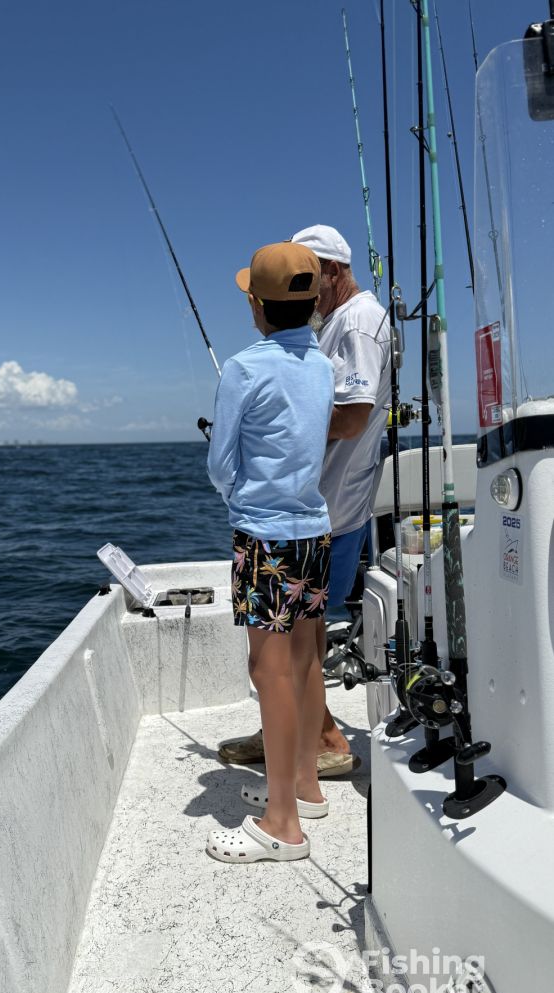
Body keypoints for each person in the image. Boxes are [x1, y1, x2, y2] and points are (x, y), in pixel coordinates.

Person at [218, 225, 391, 774]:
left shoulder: (358, 322)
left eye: (310, 273)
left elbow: (352, 417)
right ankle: (295, 737)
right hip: (316, 509)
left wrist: (271, 431)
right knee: (304, 637)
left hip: (329, 504)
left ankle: (319, 744)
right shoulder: (324, 338)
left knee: (289, 648)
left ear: (331, 273)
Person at [204, 241, 334, 864]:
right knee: (306, 659)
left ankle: (283, 824)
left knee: (270, 670)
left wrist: (239, 496)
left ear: (256, 304)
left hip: (266, 538)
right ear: (312, 303)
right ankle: (306, 785)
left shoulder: (243, 368)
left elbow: (220, 465)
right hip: (314, 530)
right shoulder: (324, 366)